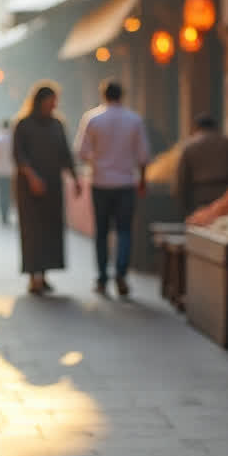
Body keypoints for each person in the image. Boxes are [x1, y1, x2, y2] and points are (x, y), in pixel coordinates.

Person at [76, 80, 151, 298]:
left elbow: (82, 153)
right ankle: (121, 274)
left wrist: (98, 163)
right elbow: (143, 155)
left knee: (101, 232)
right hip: (126, 183)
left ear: (103, 95)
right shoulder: (134, 119)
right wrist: (143, 180)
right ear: (122, 95)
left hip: (100, 183)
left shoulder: (93, 119)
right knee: (124, 231)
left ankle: (101, 278)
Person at [14, 83, 81, 295]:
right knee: (33, 230)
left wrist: (75, 177)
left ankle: (43, 275)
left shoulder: (57, 125)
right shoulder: (23, 125)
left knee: (50, 229)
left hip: (52, 184)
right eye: (50, 100)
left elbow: (65, 154)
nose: (54, 104)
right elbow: (19, 155)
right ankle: (34, 275)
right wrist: (32, 177)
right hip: (29, 186)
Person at [175, 114, 228, 216]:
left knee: (201, 223)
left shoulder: (189, 146)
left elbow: (182, 178)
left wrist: (182, 203)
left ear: (196, 128)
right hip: (225, 194)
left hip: (200, 195)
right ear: (216, 127)